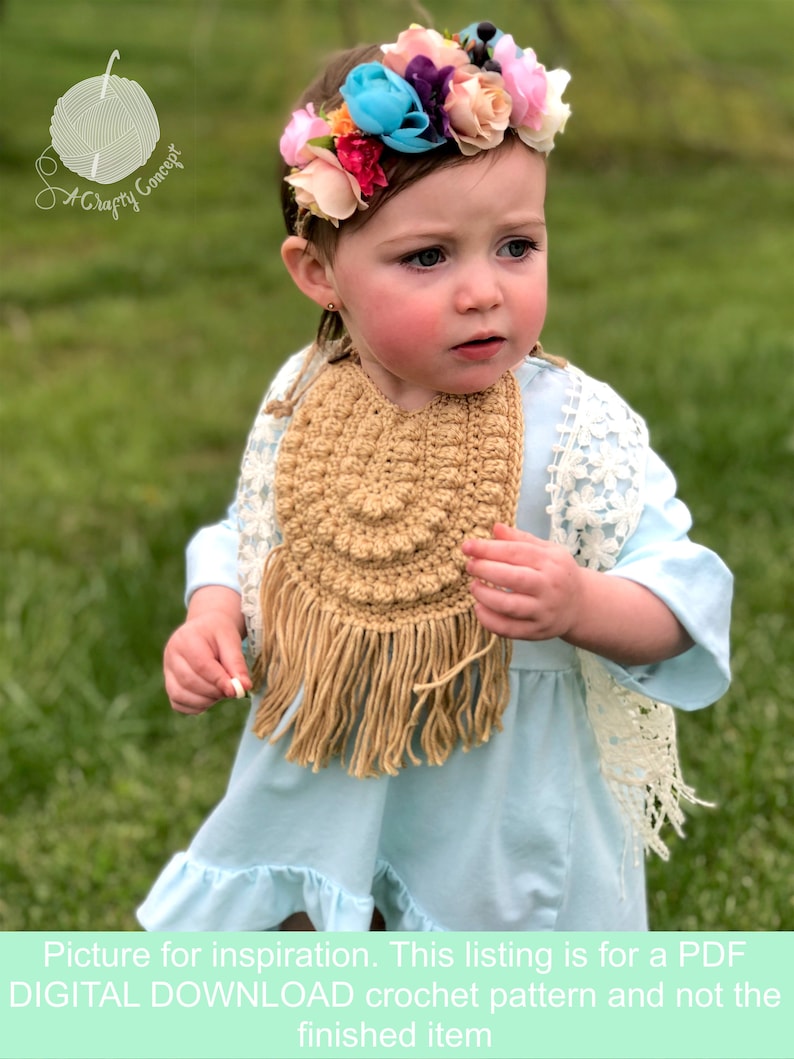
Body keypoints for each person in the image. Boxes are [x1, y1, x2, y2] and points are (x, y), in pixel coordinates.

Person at [138, 21, 732, 932]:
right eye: (428, 257)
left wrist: (580, 605)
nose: (482, 290)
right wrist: (213, 611)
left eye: (516, 246)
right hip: (331, 779)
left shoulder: (573, 427)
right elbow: (254, 534)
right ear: (320, 272)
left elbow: (682, 591)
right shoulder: (304, 397)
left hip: (495, 812)